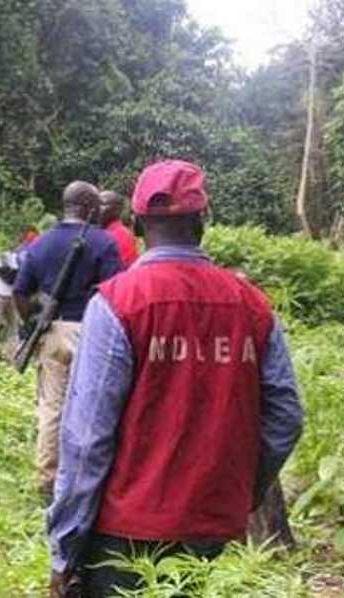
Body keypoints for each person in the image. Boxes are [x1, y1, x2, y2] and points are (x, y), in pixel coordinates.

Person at [46, 161, 304, 598]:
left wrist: (64, 549)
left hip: (124, 535)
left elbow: (87, 438)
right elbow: (286, 418)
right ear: (203, 220)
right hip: (211, 530)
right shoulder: (253, 306)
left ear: (138, 223)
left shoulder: (119, 302)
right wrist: (242, 493)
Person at [14, 182, 122, 497]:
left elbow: (20, 292)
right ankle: (90, 478)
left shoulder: (41, 243)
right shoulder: (104, 242)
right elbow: (116, 291)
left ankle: (47, 480)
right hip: (92, 332)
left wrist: (33, 322)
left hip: (53, 331)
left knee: (51, 407)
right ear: (90, 207)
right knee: (96, 405)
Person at [99, 191, 139, 269]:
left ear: (116, 209)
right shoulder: (99, 230)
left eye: (102, 204)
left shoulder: (121, 235)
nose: (97, 208)